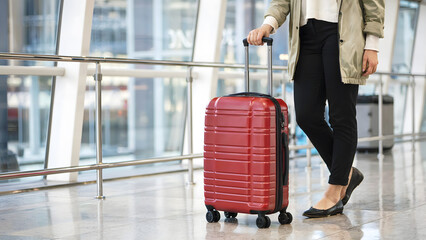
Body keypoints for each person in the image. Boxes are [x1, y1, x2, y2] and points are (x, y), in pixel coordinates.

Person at [247, 0, 384, 218]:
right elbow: (282, 2)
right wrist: (268, 25)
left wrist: (372, 45)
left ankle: (335, 190)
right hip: (304, 35)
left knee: (342, 116)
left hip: (342, 33)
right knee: (306, 115)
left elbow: (373, 4)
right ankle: (347, 174)